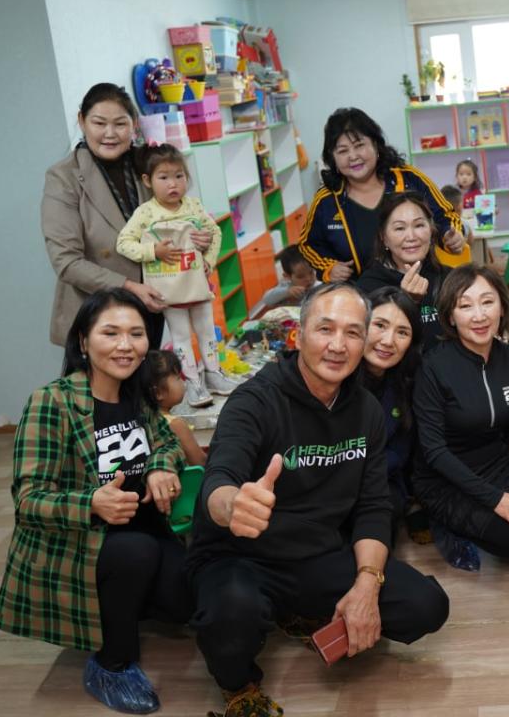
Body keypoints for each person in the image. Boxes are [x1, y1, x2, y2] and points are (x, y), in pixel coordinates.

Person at [185, 283, 449, 717]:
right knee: (230, 615)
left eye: (352, 333)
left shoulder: (364, 410)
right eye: (325, 329)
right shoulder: (254, 401)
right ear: (298, 335)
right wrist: (234, 504)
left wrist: (367, 585)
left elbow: (372, 508)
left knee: (427, 606)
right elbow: (220, 477)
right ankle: (240, 686)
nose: (338, 345)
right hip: (239, 556)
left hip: (316, 555)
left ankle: (301, 613)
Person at [0, 288, 190, 714]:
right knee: (135, 554)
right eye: (111, 333)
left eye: (136, 334)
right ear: (83, 341)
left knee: (189, 599)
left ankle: (125, 600)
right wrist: (91, 504)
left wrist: (159, 466)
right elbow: (28, 500)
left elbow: (170, 442)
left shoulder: (137, 395)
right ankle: (111, 663)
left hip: (144, 531)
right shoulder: (53, 402)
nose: (125, 345)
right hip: (83, 541)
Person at [413, 265, 509, 572]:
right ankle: (445, 524)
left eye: (487, 301)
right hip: (446, 478)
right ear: (450, 316)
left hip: (495, 463)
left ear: (502, 305)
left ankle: (496, 515)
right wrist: (496, 499)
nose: (479, 315)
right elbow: (433, 451)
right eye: (465, 306)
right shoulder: (434, 366)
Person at [42, 83, 213, 346]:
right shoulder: (63, 177)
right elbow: (66, 262)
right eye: (99, 123)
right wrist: (130, 287)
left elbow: (176, 216)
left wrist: (198, 239)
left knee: (147, 383)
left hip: (152, 306)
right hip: (98, 315)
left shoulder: (148, 165)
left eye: (120, 124)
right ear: (82, 121)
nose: (109, 134)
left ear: (133, 124)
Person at [116, 144, 238, 408]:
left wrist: (208, 261)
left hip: (197, 284)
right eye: (164, 177)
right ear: (147, 181)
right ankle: (192, 381)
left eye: (179, 176)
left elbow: (215, 233)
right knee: (180, 336)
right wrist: (152, 251)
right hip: (168, 289)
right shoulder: (146, 213)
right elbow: (123, 243)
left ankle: (214, 374)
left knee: (207, 330)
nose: (173, 184)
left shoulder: (193, 206)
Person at [299, 108, 464, 283]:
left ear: (376, 145)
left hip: (423, 287)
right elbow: (308, 244)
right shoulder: (327, 199)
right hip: (362, 297)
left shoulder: (409, 178)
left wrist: (449, 236)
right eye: (342, 151)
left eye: (359, 145)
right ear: (333, 158)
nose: (353, 156)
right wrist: (328, 267)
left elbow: (445, 215)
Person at [360, 287, 424, 538]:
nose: (388, 341)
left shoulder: (407, 381)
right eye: (380, 325)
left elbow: (401, 451)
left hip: (381, 485)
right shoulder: (335, 378)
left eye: (402, 332)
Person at [355, 191, 448, 351]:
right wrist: (407, 302)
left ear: (431, 231)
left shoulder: (450, 279)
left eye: (419, 225)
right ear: (383, 237)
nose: (411, 236)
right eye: (399, 228)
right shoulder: (367, 289)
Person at [147, 349, 207, 467]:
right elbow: (200, 462)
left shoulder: (145, 420)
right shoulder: (175, 424)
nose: (183, 382)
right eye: (178, 378)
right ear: (158, 392)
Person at [250, 244, 317, 317]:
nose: (308, 279)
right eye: (300, 276)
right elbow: (267, 300)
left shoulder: (318, 285)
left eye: (311, 272)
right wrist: (287, 292)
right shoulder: (286, 286)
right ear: (287, 277)